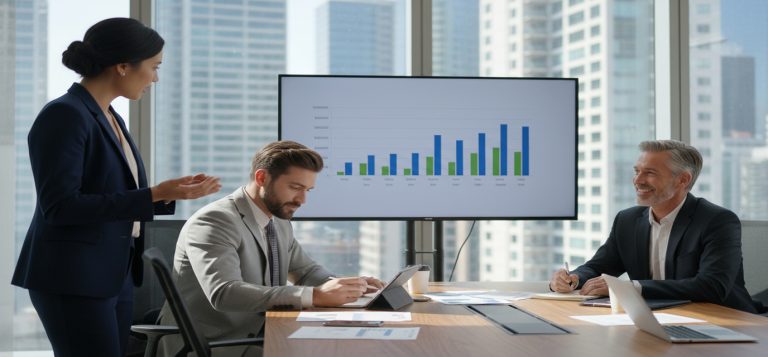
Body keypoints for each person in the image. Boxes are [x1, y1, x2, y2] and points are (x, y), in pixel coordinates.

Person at [11, 18, 221, 357]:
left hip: (111, 273)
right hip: (73, 277)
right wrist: (154, 194)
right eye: (154, 67)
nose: (155, 78)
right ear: (123, 66)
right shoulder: (64, 115)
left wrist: (166, 194)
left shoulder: (110, 116)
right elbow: (61, 206)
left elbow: (107, 191)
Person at [158, 141, 384, 356]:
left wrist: (350, 286)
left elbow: (305, 271)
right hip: (217, 343)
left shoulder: (278, 219)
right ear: (262, 178)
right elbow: (224, 292)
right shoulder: (215, 221)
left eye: (308, 190)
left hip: (263, 332)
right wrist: (316, 295)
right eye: (295, 187)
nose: (302, 200)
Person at [549, 140, 757, 313]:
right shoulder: (627, 220)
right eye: (637, 171)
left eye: (649, 173)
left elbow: (712, 286)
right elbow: (598, 267)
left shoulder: (717, 221)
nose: (638, 180)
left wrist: (633, 288)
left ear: (683, 180)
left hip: (725, 321)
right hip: (657, 319)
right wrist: (574, 279)